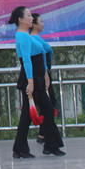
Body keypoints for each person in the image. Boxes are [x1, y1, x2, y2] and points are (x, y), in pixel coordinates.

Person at [10, 6, 65, 158]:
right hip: (32, 79)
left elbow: (40, 57)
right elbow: (26, 60)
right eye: (28, 15)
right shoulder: (23, 36)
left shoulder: (25, 36)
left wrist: (45, 75)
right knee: (33, 114)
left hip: (37, 79)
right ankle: (25, 148)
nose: (31, 18)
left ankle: (47, 146)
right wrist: (31, 82)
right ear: (21, 19)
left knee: (45, 111)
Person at [31, 12, 56, 146]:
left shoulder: (35, 38)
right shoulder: (33, 39)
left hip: (44, 74)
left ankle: (44, 134)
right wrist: (46, 74)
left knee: (48, 104)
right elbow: (41, 58)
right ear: (34, 24)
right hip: (42, 75)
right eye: (40, 21)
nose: (43, 24)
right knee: (48, 104)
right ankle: (45, 135)